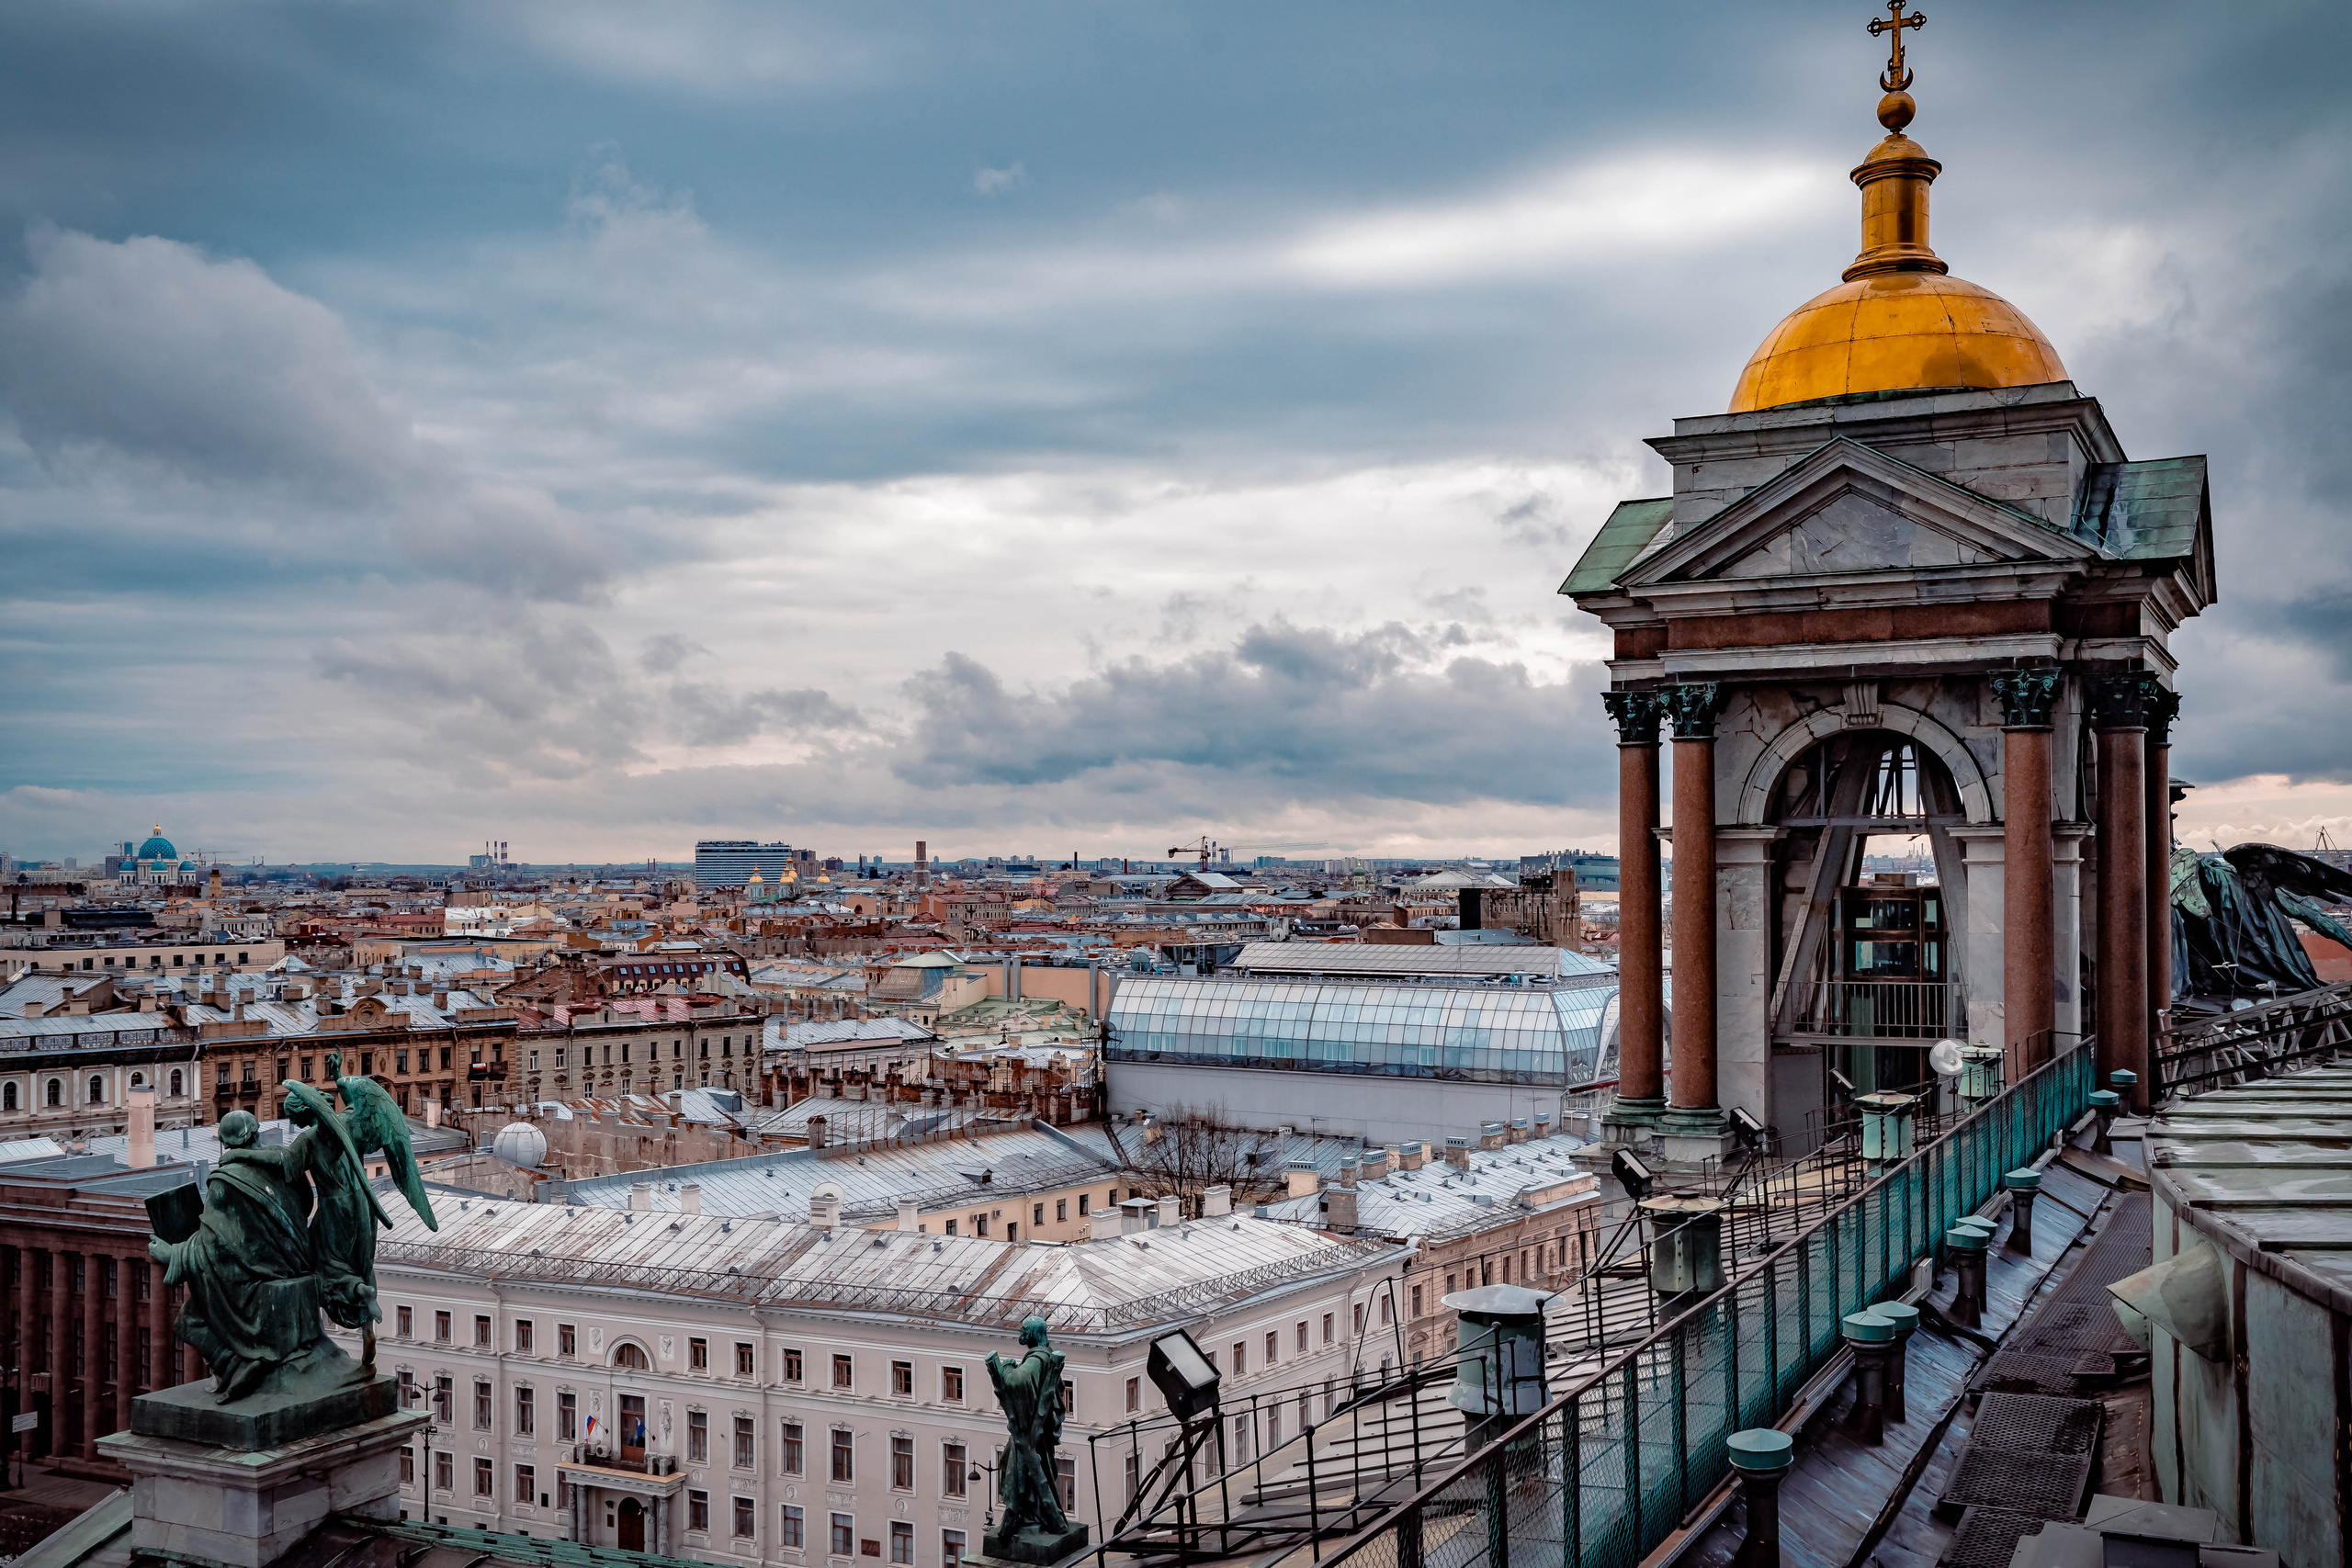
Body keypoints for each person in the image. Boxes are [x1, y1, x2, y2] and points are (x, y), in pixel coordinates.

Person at [148, 1110, 318, 1403]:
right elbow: (305, 1205)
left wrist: (172, 1253)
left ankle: (236, 1363)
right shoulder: (283, 1163)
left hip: (254, 1277)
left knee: (189, 1320)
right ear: (256, 1133)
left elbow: (216, 1244)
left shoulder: (226, 1181)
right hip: (293, 1264)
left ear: (225, 1145)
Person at [985, 1316, 1070, 1540]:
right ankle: (1034, 1515)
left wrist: (1008, 1366)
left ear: (1033, 1333)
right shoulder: (1045, 1353)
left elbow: (1017, 1382)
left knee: (1016, 1469)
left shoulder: (1037, 1358)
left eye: (1024, 1330)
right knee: (1023, 1468)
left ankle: (1020, 1516)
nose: (1020, 1333)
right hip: (1035, 1429)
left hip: (1030, 1432)